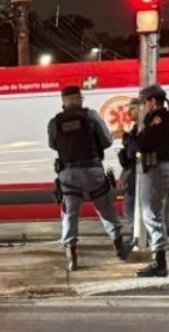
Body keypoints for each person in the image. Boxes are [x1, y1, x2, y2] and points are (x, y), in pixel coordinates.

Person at [48, 85, 132, 271]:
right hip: (92, 170)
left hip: (68, 174)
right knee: (105, 208)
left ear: (63, 101)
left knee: (70, 214)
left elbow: (53, 144)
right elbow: (106, 140)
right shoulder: (91, 116)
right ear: (79, 98)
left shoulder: (55, 122)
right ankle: (120, 248)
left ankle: (72, 259)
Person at [134, 84, 169, 278]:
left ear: (152, 101)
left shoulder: (158, 118)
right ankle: (159, 261)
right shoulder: (165, 116)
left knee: (151, 215)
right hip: (158, 169)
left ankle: (159, 263)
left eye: (144, 102)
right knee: (154, 215)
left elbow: (143, 142)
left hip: (156, 170)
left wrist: (134, 136)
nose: (143, 106)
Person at [113, 98, 141, 229]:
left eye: (132, 108)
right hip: (133, 173)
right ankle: (138, 236)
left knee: (131, 207)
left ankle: (139, 237)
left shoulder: (143, 128)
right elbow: (129, 157)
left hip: (140, 174)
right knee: (130, 207)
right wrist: (123, 176)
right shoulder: (135, 128)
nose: (128, 112)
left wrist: (124, 136)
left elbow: (137, 149)